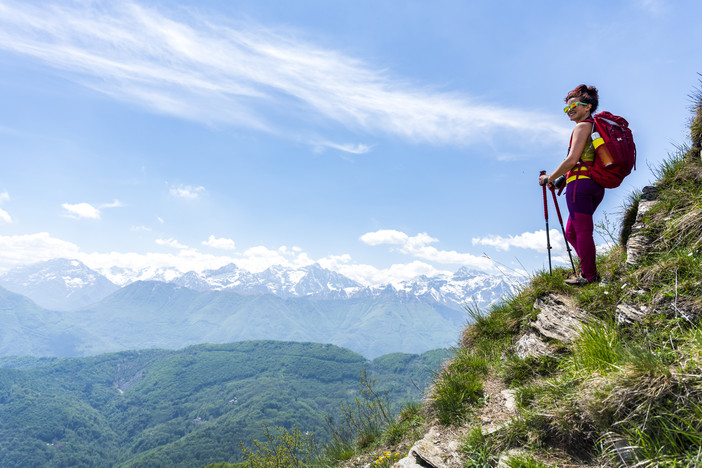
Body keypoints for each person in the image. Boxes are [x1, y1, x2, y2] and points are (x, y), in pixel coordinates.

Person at [539, 84, 604, 286]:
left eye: (574, 105)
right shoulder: (595, 127)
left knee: (583, 231)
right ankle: (588, 269)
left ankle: (590, 277)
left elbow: (572, 160)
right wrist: (561, 179)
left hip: (580, 186)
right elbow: (584, 159)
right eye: (567, 108)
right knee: (571, 232)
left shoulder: (582, 126)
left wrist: (549, 178)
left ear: (588, 107)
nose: (570, 110)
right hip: (595, 184)